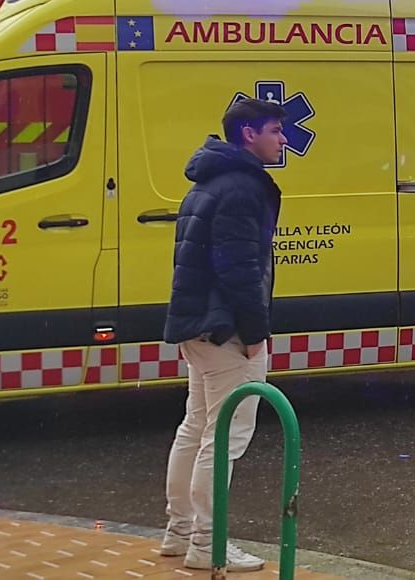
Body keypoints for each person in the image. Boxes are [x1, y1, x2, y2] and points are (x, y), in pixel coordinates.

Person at [160, 98, 286, 572]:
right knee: (224, 436)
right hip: (226, 331)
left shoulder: (210, 181)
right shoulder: (242, 188)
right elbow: (240, 269)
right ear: (249, 135)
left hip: (199, 325)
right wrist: (254, 333)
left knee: (195, 428)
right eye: (275, 130)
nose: (283, 140)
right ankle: (208, 544)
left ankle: (179, 531)